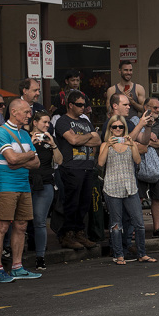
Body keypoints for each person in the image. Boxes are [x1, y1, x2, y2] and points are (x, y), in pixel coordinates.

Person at [0, 100, 42, 282]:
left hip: (23, 185)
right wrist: (27, 156)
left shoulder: (25, 134)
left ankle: (17, 267)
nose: (29, 115)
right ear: (14, 112)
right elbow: (11, 159)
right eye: (26, 112)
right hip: (5, 185)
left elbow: (37, 163)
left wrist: (20, 160)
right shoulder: (1, 132)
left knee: (21, 226)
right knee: (2, 226)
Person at [98, 112, 156, 265]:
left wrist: (132, 145)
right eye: (114, 127)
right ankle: (118, 255)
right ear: (110, 128)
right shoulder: (105, 144)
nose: (117, 129)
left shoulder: (130, 143)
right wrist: (108, 145)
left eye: (120, 127)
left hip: (130, 187)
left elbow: (137, 161)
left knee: (139, 223)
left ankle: (142, 253)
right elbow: (101, 163)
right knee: (116, 224)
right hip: (112, 187)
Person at [54, 89, 101, 251]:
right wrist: (89, 136)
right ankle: (67, 235)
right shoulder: (62, 121)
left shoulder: (85, 121)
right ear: (70, 105)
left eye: (85, 104)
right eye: (80, 105)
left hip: (88, 167)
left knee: (84, 202)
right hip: (71, 167)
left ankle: (80, 233)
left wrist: (82, 139)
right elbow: (72, 140)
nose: (83, 108)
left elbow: (98, 141)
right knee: (71, 202)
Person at [27, 111, 59, 271]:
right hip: (26, 181)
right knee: (20, 221)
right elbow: (20, 157)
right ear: (35, 122)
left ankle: (40, 257)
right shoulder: (24, 136)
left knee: (39, 220)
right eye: (44, 122)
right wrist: (31, 144)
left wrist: (53, 144)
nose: (47, 125)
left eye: (48, 123)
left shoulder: (49, 139)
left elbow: (60, 160)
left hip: (45, 183)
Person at [140, 96, 159, 237]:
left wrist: (147, 142)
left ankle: (157, 228)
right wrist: (146, 137)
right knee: (139, 198)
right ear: (146, 108)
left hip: (157, 164)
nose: (158, 110)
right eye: (154, 107)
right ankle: (137, 229)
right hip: (141, 164)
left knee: (157, 197)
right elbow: (134, 140)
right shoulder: (137, 122)